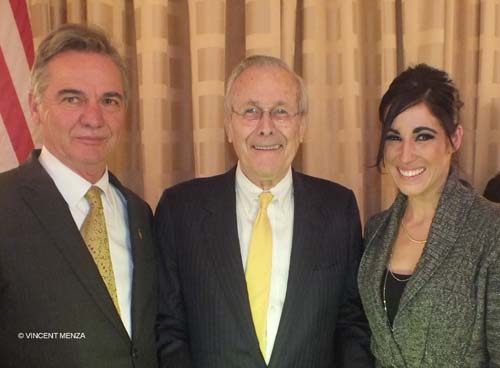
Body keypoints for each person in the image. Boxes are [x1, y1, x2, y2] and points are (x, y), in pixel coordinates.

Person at [155, 55, 373, 368]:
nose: (266, 127)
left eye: (281, 111)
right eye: (251, 111)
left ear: (301, 126)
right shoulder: (180, 211)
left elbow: (351, 325)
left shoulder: (339, 209)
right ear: (229, 125)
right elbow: (168, 329)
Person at [0, 24, 157, 368]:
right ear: (35, 107)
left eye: (109, 101)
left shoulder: (141, 213)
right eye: (73, 99)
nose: (94, 118)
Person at [358, 64, 500, 367]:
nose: (405, 154)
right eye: (394, 137)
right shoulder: (376, 230)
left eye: (422, 136)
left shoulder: (491, 229)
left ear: (454, 139)